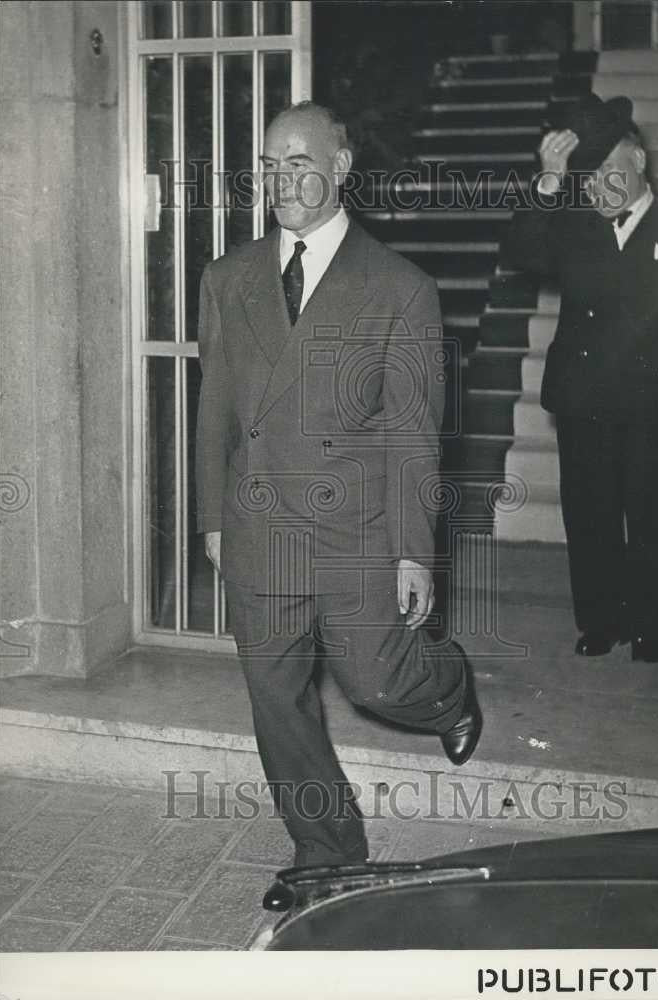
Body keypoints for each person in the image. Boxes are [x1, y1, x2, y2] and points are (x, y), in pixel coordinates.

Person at [195, 101, 481, 876]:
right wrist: (210, 519)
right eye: (267, 164)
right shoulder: (227, 278)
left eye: (298, 161)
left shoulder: (399, 287)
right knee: (275, 701)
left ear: (342, 167)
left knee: (376, 679)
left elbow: (414, 435)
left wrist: (412, 555)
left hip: (354, 530)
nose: (280, 179)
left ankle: (448, 686)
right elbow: (214, 407)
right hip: (256, 524)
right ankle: (327, 851)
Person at [502, 94, 658, 663]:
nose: (600, 187)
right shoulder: (570, 225)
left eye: (611, 170)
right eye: (588, 178)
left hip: (654, 398)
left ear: (639, 161)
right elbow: (520, 252)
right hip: (583, 395)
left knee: (654, 511)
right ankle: (598, 618)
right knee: (589, 512)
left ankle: (653, 622)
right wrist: (548, 182)